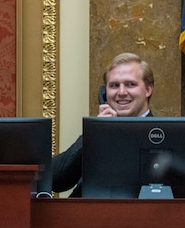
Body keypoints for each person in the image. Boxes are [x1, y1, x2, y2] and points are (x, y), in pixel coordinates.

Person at [52, 52, 154, 196]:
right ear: (105, 93)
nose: (122, 92)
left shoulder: (164, 134)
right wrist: (94, 132)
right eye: (114, 85)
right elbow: (55, 180)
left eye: (131, 84)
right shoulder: (96, 134)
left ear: (148, 89)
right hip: (87, 214)